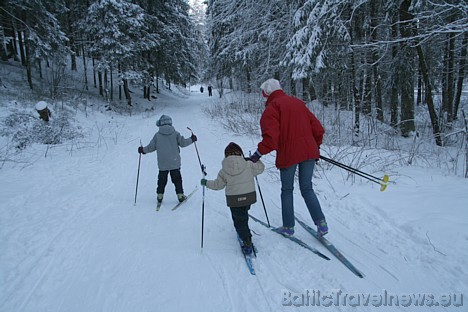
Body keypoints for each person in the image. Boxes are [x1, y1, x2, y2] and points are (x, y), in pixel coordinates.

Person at [250, 78, 328, 236]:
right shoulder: (298, 102)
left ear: (266, 93)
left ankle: (288, 228)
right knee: (307, 188)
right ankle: (322, 224)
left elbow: (271, 139)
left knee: (287, 190)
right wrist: (315, 146)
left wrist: (257, 154)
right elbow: (318, 129)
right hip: (309, 152)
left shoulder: (272, 108)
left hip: (288, 154)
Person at [201, 142, 265, 255]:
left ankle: (247, 240)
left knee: (239, 221)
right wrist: (255, 159)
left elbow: (218, 185)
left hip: (234, 200)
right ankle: (244, 227)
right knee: (243, 213)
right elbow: (261, 169)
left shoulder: (224, 170)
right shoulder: (248, 164)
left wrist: (206, 183)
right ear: (240, 153)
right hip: (249, 197)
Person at [138, 115, 197, 204]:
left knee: (162, 179)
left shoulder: (157, 135)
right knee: (177, 179)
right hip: (174, 161)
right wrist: (192, 139)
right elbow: (183, 143)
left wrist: (143, 150)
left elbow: (151, 147)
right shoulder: (175, 133)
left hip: (163, 162)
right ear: (170, 123)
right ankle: (180, 195)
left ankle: (160, 195)